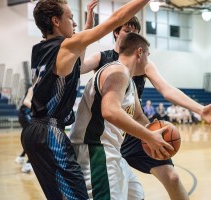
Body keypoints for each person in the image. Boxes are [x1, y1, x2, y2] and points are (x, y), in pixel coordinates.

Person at [82, 15, 211, 200]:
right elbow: (76, 68)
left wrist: (199, 109)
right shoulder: (106, 60)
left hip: (133, 129)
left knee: (172, 178)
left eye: (135, 33)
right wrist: (85, 35)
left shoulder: (141, 65)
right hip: (105, 132)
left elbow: (166, 90)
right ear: (116, 32)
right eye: (127, 31)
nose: (132, 36)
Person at [20, 0, 151, 199]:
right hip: (49, 132)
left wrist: (86, 29)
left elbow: (76, 63)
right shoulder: (65, 46)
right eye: (70, 18)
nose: (74, 24)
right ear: (55, 21)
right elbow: (117, 18)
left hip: (34, 131)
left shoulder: (40, 49)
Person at [69, 32, 173, 199]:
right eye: (148, 55)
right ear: (139, 52)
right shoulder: (118, 71)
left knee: (136, 195)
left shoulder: (128, 79)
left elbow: (138, 116)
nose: (148, 61)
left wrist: (153, 134)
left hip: (112, 151)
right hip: (95, 151)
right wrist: (149, 136)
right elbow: (110, 111)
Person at [14, 85, 33, 173]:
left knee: (30, 139)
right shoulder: (34, 87)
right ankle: (28, 163)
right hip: (25, 115)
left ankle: (21, 157)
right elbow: (25, 102)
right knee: (33, 139)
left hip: (25, 115)